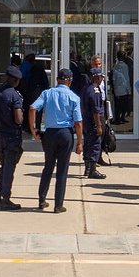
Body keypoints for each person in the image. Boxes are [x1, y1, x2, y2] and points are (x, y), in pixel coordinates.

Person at [30, 66, 84, 213]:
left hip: (50, 134)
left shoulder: (47, 93)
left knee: (48, 166)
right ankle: (58, 204)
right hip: (65, 133)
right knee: (62, 170)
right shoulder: (74, 97)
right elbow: (78, 122)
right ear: (70, 82)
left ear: (57, 79)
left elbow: (32, 108)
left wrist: (33, 129)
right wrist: (79, 142)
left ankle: (42, 199)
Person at [0, 66, 26, 210]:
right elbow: (18, 119)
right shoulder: (15, 96)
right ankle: (5, 199)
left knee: (3, 165)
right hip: (12, 135)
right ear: (16, 80)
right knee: (9, 168)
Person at [80, 67, 110, 180]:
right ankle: (92, 170)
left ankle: (87, 168)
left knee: (87, 144)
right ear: (96, 77)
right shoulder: (95, 90)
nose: (102, 79)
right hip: (93, 122)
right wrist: (99, 126)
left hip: (86, 122)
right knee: (95, 145)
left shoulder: (85, 89)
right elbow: (96, 111)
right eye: (100, 77)